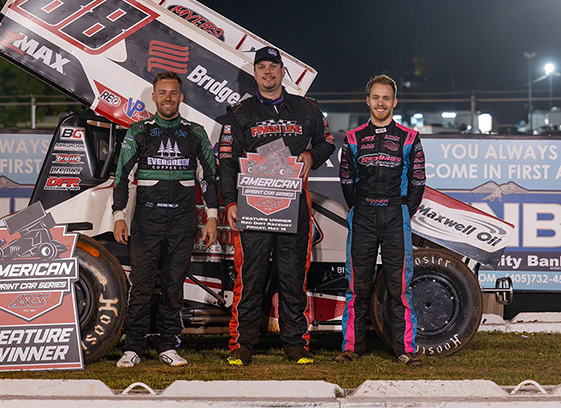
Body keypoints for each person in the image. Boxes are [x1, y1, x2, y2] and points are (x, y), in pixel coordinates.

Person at [218, 46, 335, 365]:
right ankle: (242, 344)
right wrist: (230, 201)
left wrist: (312, 156)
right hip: (253, 206)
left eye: (273, 67)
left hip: (293, 207)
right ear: (254, 74)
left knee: (293, 276)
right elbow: (226, 161)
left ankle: (296, 343)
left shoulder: (306, 108)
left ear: (284, 72)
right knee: (250, 277)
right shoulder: (241, 113)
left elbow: (328, 141)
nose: (267, 72)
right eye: (261, 68)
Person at [112, 71, 219, 368]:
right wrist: (119, 216)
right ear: (154, 97)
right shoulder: (138, 131)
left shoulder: (195, 133)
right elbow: (122, 178)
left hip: (183, 222)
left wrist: (212, 217)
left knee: (174, 287)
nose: (168, 98)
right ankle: (133, 346)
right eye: (163, 93)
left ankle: (169, 346)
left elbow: (209, 178)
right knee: (141, 286)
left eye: (173, 93)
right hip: (147, 221)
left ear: (181, 97)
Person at [336, 74, 426, 366]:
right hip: (361, 214)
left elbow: (418, 181)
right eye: (376, 97)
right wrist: (361, 207)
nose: (381, 103)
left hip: (394, 216)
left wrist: (401, 209)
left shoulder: (410, 138)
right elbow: (346, 180)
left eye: (386, 98)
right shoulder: (352, 138)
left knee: (400, 287)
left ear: (394, 102)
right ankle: (352, 347)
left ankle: (405, 350)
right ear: (368, 101)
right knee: (356, 287)